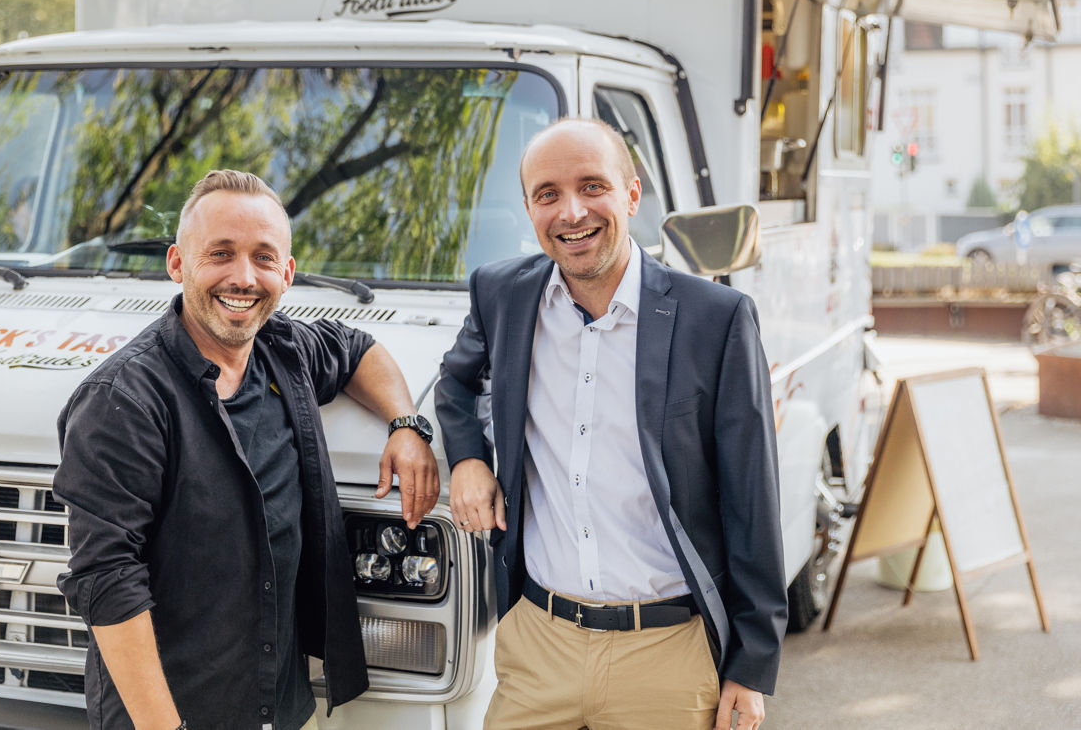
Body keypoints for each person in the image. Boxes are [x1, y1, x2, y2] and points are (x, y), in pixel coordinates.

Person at [54, 169, 439, 730]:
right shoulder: (123, 400)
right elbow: (106, 579)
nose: (243, 277)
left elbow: (360, 349)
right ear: (177, 264)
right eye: (220, 253)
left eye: (263, 258)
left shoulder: (286, 351)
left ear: (286, 273)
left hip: (282, 709)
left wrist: (406, 424)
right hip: (173, 716)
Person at [435, 119, 786, 730]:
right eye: (548, 194)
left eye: (592, 187)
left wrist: (750, 667)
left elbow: (752, 499)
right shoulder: (501, 294)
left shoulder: (718, 319)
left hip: (667, 650)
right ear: (528, 208)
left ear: (631, 193)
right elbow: (456, 381)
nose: (571, 212)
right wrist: (466, 458)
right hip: (539, 642)